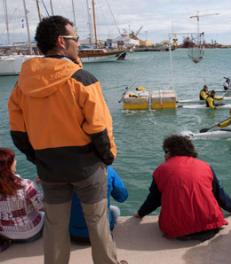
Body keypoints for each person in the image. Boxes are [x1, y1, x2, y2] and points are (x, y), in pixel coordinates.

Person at [8, 16, 123, 264]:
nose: (78, 43)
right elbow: (99, 129)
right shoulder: (83, 79)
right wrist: (107, 157)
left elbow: (18, 133)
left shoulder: (21, 85)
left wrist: (39, 156)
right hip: (86, 165)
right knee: (98, 222)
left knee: (55, 224)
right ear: (62, 41)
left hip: (49, 167)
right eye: (76, 38)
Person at [134, 135, 231, 241]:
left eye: (165, 152)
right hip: (211, 228)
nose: (164, 156)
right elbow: (219, 194)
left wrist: (140, 213)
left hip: (178, 231)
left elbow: (154, 200)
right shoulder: (205, 166)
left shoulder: (161, 170)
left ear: (170, 151)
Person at [69, 166, 128, 243]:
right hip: (100, 233)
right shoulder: (107, 170)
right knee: (115, 210)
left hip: (71, 233)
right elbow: (122, 197)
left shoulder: (64, 171)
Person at [0, 148, 44, 245]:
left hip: (5, 233)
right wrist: (40, 186)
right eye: (13, 160)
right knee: (45, 213)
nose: (15, 162)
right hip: (30, 233)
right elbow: (41, 206)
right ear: (7, 166)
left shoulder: (26, 185)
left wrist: (34, 183)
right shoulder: (26, 185)